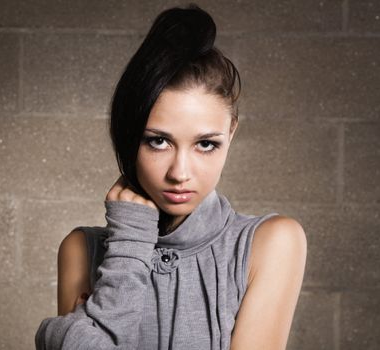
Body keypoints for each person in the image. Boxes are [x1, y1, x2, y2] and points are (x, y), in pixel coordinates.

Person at [35, 4, 307, 350]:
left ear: (231, 134)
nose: (180, 173)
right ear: (130, 136)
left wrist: (62, 337)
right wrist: (130, 244)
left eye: (206, 144)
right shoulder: (81, 249)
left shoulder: (271, 243)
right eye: (158, 141)